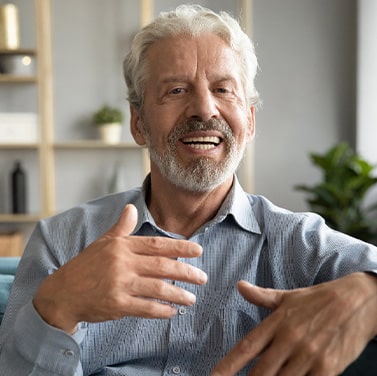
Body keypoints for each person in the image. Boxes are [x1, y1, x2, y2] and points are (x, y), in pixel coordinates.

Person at [1, 4, 377, 376]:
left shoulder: (301, 244)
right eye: (177, 90)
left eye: (223, 89)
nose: (203, 109)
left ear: (249, 120)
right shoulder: (62, 242)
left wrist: (367, 292)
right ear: (137, 123)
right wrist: (57, 310)